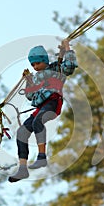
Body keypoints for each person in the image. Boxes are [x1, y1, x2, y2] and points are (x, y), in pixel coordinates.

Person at [8, 39, 78, 183]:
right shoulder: (35, 77)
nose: (35, 67)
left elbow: (70, 67)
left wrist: (67, 49)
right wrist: (28, 80)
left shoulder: (55, 68)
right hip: (41, 106)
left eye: (37, 63)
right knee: (22, 132)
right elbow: (30, 95)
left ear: (44, 61)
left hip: (53, 102)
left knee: (38, 121)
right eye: (33, 65)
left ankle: (41, 157)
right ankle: (22, 168)